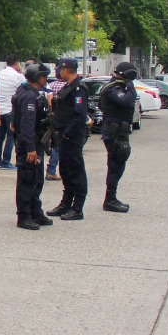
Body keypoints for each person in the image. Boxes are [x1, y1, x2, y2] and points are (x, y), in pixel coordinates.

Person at [12, 64, 54, 230]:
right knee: (27, 181)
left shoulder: (26, 92)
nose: (45, 79)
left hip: (33, 142)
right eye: (43, 76)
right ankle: (24, 216)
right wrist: (30, 148)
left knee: (36, 179)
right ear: (38, 78)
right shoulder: (29, 96)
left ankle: (36, 212)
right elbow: (27, 124)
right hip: (29, 144)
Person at [48, 57, 90, 220]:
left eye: (59, 69)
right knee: (65, 170)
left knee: (75, 170)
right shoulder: (68, 87)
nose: (58, 72)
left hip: (72, 136)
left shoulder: (79, 88)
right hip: (63, 135)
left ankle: (77, 208)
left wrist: (67, 132)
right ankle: (66, 204)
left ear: (65, 69)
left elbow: (80, 115)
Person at [98, 61, 139, 213]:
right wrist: (131, 88)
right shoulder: (114, 88)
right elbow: (126, 102)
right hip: (114, 132)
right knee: (116, 163)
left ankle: (111, 197)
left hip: (118, 131)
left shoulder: (117, 86)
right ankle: (110, 199)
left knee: (118, 163)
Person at [0, 55, 23, 170]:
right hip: (11, 110)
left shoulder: (1, 73)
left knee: (0, 136)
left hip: (0, 110)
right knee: (11, 137)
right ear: (16, 63)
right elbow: (25, 86)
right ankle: (6, 162)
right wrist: (20, 72)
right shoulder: (18, 76)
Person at [44, 66, 64, 182]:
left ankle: (51, 169)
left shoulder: (51, 86)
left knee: (55, 143)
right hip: (61, 119)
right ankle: (51, 170)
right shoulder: (66, 87)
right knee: (59, 145)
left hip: (51, 118)